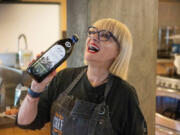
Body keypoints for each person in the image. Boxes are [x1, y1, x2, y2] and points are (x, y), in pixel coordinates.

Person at [16, 18, 147, 135]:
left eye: (105, 35)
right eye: (92, 32)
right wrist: (35, 88)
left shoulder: (124, 94)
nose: (94, 37)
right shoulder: (64, 78)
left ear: (119, 52)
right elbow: (25, 122)